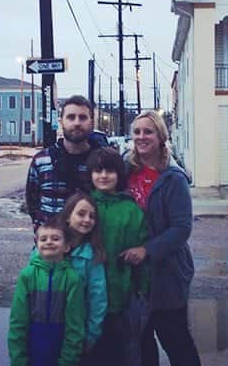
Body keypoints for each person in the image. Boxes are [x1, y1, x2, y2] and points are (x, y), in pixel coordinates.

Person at [121, 111, 201, 366]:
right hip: (132, 275)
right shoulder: (124, 170)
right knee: (141, 343)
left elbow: (181, 228)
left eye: (148, 131)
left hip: (167, 274)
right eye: (137, 132)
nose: (141, 137)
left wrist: (147, 250)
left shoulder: (173, 178)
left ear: (160, 136)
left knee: (176, 340)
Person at [88, 147, 149, 366]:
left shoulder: (131, 210)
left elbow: (141, 248)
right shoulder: (84, 206)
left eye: (109, 171)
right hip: (87, 296)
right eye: (97, 171)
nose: (103, 176)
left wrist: (142, 288)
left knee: (120, 352)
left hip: (121, 294)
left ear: (119, 175)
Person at [8, 218, 85, 366]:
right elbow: (17, 321)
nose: (49, 242)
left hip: (59, 348)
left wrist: (68, 361)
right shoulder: (27, 276)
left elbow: (75, 325)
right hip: (32, 347)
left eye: (55, 238)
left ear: (67, 246)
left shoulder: (72, 279)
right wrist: (18, 359)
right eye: (43, 239)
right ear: (37, 245)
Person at [25, 95, 98, 232]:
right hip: (51, 246)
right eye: (71, 117)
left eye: (83, 117)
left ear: (91, 122)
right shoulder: (41, 161)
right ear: (61, 121)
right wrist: (41, 229)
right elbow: (32, 202)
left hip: (89, 247)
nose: (76, 123)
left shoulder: (101, 163)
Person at [59, 192, 108, 362]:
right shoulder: (49, 246)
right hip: (46, 327)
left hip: (76, 333)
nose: (87, 219)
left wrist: (92, 335)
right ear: (67, 216)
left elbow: (98, 298)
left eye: (92, 216)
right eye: (81, 214)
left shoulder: (92, 255)